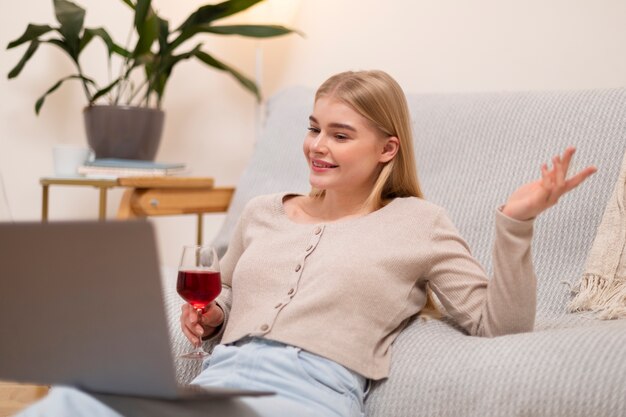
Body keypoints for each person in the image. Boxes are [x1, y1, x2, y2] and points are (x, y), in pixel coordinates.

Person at [18, 70, 597, 417]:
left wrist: (516, 223)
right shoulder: (263, 212)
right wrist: (212, 317)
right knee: (74, 399)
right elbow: (225, 299)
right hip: (220, 384)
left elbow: (500, 325)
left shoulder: (419, 223)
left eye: (340, 135)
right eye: (314, 127)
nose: (317, 145)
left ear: (387, 149)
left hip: (308, 397)